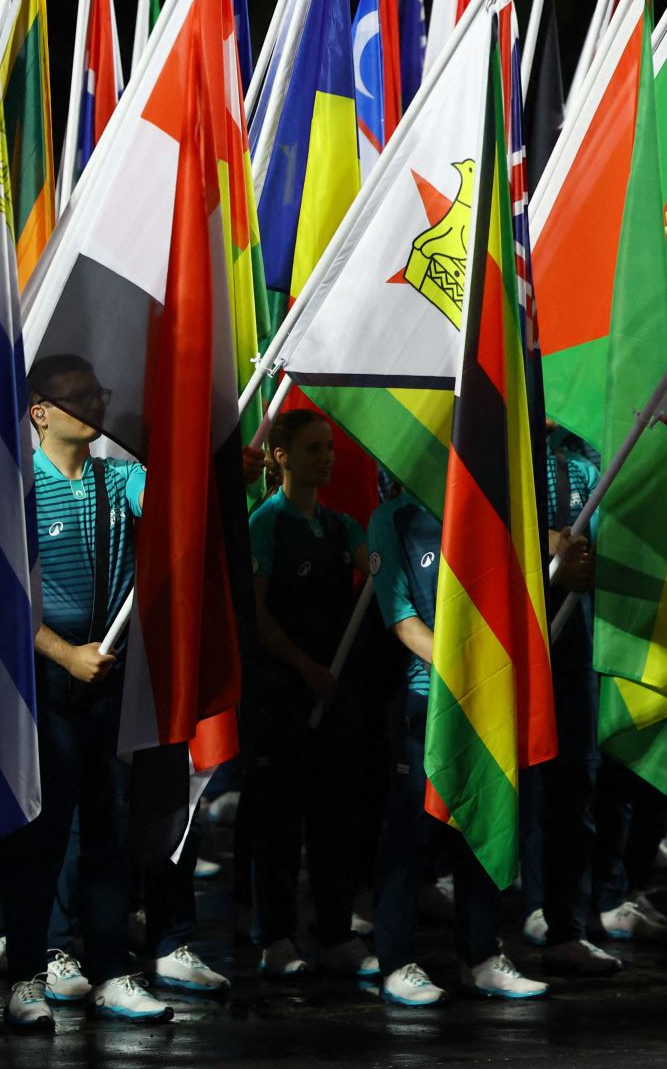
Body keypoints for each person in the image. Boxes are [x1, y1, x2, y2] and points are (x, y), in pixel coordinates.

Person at [0, 355, 173, 1030]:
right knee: (39, 834)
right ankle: (26, 975)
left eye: (98, 394)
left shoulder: (118, 479)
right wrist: (63, 654)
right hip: (46, 676)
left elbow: (172, 503)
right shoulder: (18, 491)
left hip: (110, 675)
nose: (94, 407)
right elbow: (2, 598)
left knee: (110, 830)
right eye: (77, 397)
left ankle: (111, 970)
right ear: (39, 410)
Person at [367, 469, 547, 1007]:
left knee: (482, 822)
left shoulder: (484, 514)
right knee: (412, 833)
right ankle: (398, 963)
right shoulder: (391, 519)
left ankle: (482, 957)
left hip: (486, 697)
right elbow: (402, 622)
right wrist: (468, 667)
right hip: (428, 699)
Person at [237, 410, 376, 981]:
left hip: (333, 691)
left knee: (334, 817)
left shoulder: (343, 526)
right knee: (279, 820)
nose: (326, 457)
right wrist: (303, 666)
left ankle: (336, 932)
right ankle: (275, 937)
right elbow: (256, 610)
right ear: (280, 457)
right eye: (314, 448)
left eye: (330, 448)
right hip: (281, 693)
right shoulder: (265, 525)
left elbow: (375, 571)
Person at [518, 427, 624, 977]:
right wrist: (547, 543)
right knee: (514, 789)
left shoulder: (578, 469)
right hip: (512, 650)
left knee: (572, 789)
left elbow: (605, 544)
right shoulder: (496, 453)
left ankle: (567, 927)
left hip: (573, 655)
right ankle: (493, 930)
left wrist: (586, 562)